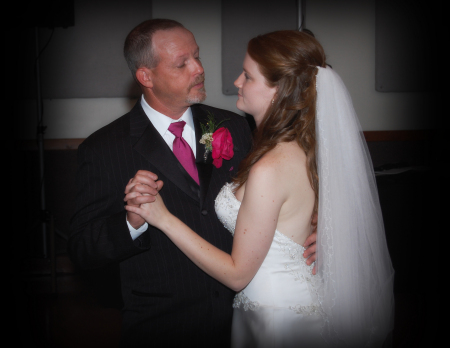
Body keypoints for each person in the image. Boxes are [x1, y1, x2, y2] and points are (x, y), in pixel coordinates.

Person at [126, 30, 395, 347]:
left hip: (277, 319)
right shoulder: (300, 146)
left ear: (278, 91)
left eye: (248, 76)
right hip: (271, 308)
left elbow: (238, 275)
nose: (237, 82)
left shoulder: (270, 166)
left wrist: (162, 217)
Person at [68, 19, 318, 347]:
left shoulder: (236, 126)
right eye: (182, 63)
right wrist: (131, 223)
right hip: (163, 323)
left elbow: (286, 191)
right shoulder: (104, 149)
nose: (199, 69)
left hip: (242, 315)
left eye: (197, 56)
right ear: (146, 76)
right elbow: (82, 249)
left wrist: (316, 228)